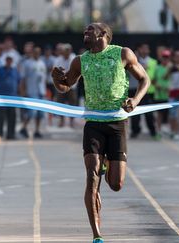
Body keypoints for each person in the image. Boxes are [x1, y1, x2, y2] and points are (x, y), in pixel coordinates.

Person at [51, 23, 150, 243]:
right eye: (84, 31)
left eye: (90, 30)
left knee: (116, 185)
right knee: (91, 176)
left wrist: (134, 100)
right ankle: (97, 235)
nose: (85, 33)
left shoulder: (122, 53)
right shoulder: (80, 60)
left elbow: (145, 79)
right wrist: (56, 79)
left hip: (117, 123)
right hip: (93, 123)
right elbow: (66, 86)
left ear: (103, 34)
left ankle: (106, 166)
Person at [129, 43, 158, 139]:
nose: (144, 51)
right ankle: (135, 131)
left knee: (149, 113)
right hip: (134, 89)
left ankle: (153, 131)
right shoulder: (132, 62)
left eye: (146, 48)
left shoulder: (153, 62)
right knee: (134, 112)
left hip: (148, 91)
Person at [19, 46, 47, 138]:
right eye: (35, 52)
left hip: (41, 91)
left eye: (38, 52)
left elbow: (44, 78)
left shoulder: (42, 63)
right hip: (31, 91)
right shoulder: (27, 63)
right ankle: (24, 127)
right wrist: (23, 91)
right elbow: (23, 78)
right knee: (32, 112)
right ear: (33, 53)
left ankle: (37, 130)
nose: (37, 54)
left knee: (40, 113)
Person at [0, 56, 20, 139]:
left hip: (12, 97)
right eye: (8, 60)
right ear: (6, 60)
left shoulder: (15, 71)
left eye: (10, 60)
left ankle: (11, 134)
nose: (9, 61)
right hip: (1, 96)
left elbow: (19, 82)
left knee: (12, 116)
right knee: (0, 116)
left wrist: (20, 94)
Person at [153, 49, 172, 134]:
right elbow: (153, 80)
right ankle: (158, 131)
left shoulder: (172, 68)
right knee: (159, 114)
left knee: (170, 114)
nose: (165, 59)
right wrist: (157, 86)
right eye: (164, 57)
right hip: (159, 95)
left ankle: (171, 131)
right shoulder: (157, 68)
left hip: (170, 95)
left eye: (167, 57)